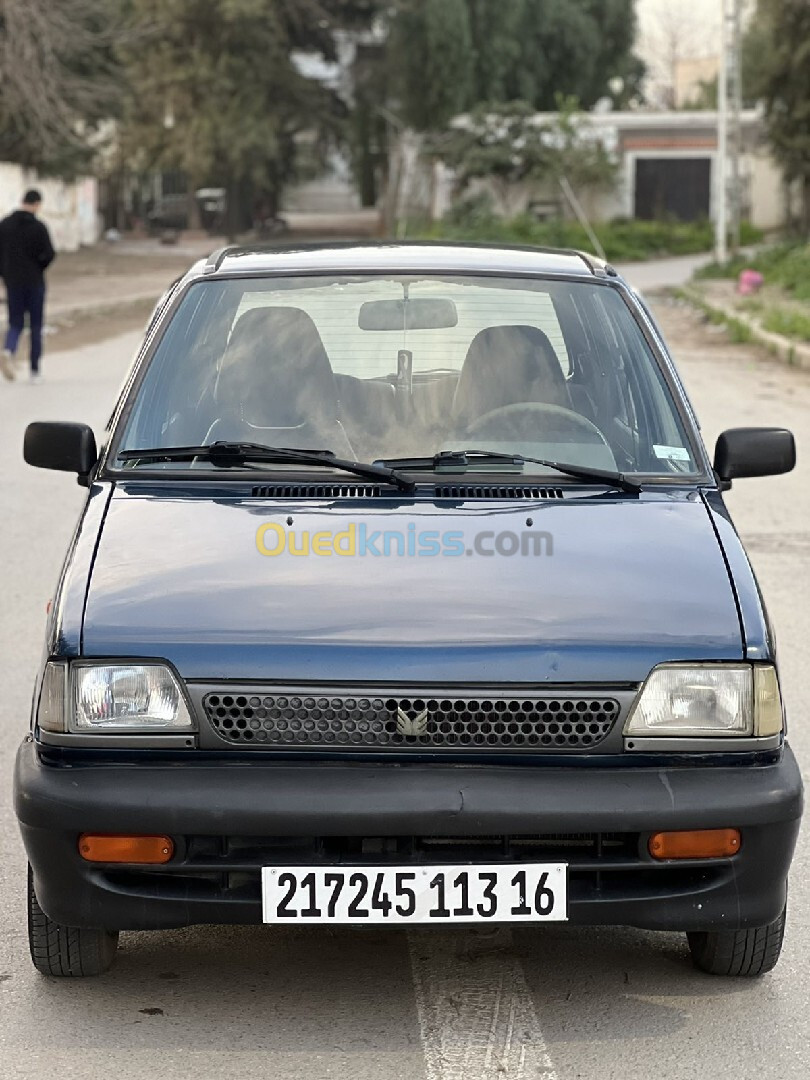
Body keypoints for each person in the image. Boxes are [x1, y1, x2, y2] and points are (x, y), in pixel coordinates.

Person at [0, 190, 56, 383]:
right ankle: (34, 371)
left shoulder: (4, 225)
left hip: (13, 282)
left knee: (15, 321)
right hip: (34, 282)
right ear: (36, 204)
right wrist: (38, 267)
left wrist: (5, 274)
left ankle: (8, 350)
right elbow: (49, 254)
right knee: (35, 325)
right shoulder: (39, 227)